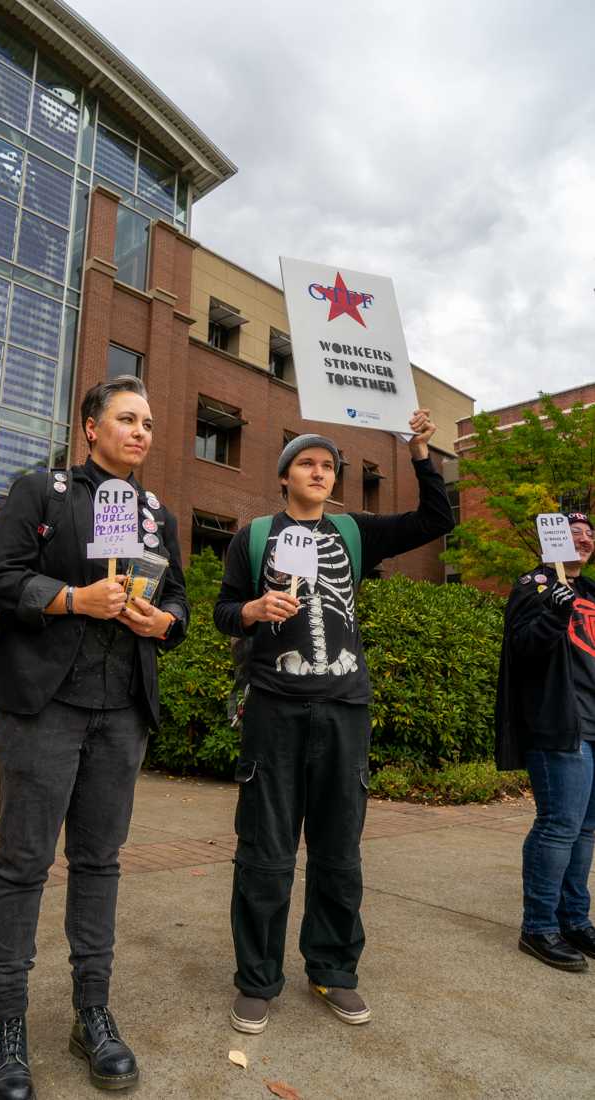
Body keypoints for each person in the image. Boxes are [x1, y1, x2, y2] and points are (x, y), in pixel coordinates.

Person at [0, 375, 188, 1099]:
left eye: (150, 423)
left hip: (121, 708)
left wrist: (164, 623)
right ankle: (6, 1025)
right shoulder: (43, 491)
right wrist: (72, 598)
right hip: (44, 706)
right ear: (90, 427)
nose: (142, 432)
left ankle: (90, 1013)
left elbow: (179, 598)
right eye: (127, 419)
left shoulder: (156, 514)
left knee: (98, 863)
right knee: (23, 863)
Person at [214, 411, 454, 1034]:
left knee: (339, 851)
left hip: (344, 706)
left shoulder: (354, 531)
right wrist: (251, 609)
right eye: (307, 464)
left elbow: (435, 520)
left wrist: (422, 454)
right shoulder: (255, 536)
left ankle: (333, 968)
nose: (319, 472)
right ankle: (257, 978)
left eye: (327, 466)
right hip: (274, 705)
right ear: (285, 475)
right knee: (264, 851)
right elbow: (220, 611)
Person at [495, 511, 595, 972]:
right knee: (558, 826)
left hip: (594, 727)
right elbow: (525, 648)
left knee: (586, 830)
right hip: (559, 726)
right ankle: (538, 927)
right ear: (550, 541)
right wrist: (555, 611)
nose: (584, 539)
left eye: (590, 534)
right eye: (573, 533)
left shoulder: (590, 591)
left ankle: (574, 919)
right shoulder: (532, 586)